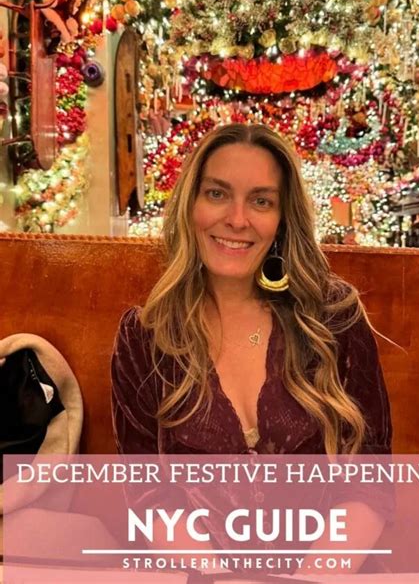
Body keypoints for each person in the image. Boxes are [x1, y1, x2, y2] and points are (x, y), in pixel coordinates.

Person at [111, 122, 392, 573]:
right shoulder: (144, 337)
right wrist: (217, 580)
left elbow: (369, 477)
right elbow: (150, 495)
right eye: (217, 194)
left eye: (261, 201)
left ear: (282, 219)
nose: (237, 219)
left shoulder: (333, 317)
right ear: (190, 205)